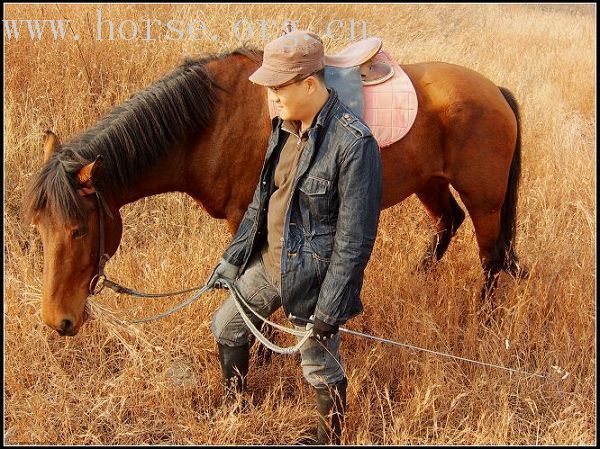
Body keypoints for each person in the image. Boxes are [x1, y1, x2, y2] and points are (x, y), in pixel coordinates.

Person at [206, 29, 383, 444]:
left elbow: (354, 243)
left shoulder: (354, 144)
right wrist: (234, 257)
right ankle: (237, 404)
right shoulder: (282, 128)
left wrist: (330, 310)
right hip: (268, 266)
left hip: (312, 280)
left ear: (309, 83)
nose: (271, 98)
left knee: (318, 366)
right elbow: (260, 202)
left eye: (278, 88)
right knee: (226, 326)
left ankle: (328, 438)